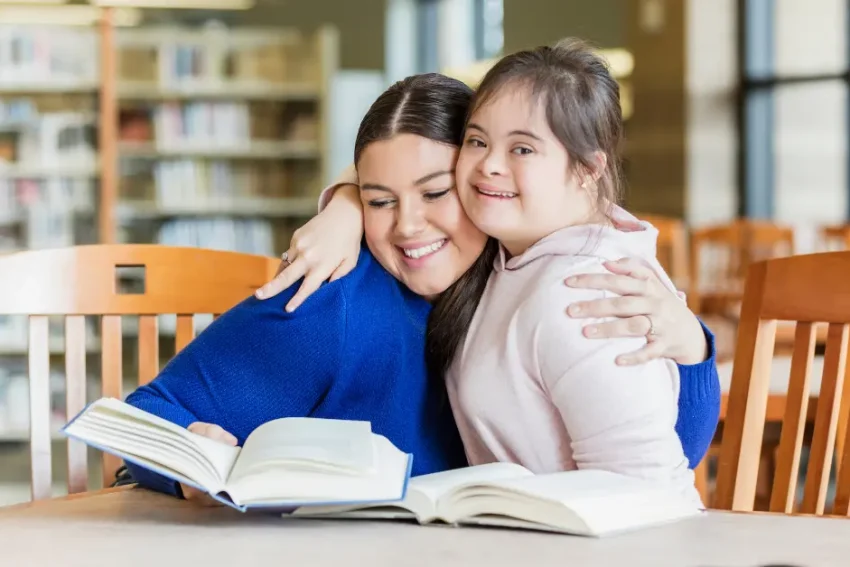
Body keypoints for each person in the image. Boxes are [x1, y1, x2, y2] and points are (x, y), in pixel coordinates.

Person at [124, 72, 717, 506]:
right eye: (381, 201)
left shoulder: (526, 281)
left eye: (437, 193)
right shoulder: (329, 302)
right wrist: (188, 464)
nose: (407, 226)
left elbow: (668, 461)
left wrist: (690, 345)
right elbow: (145, 419)